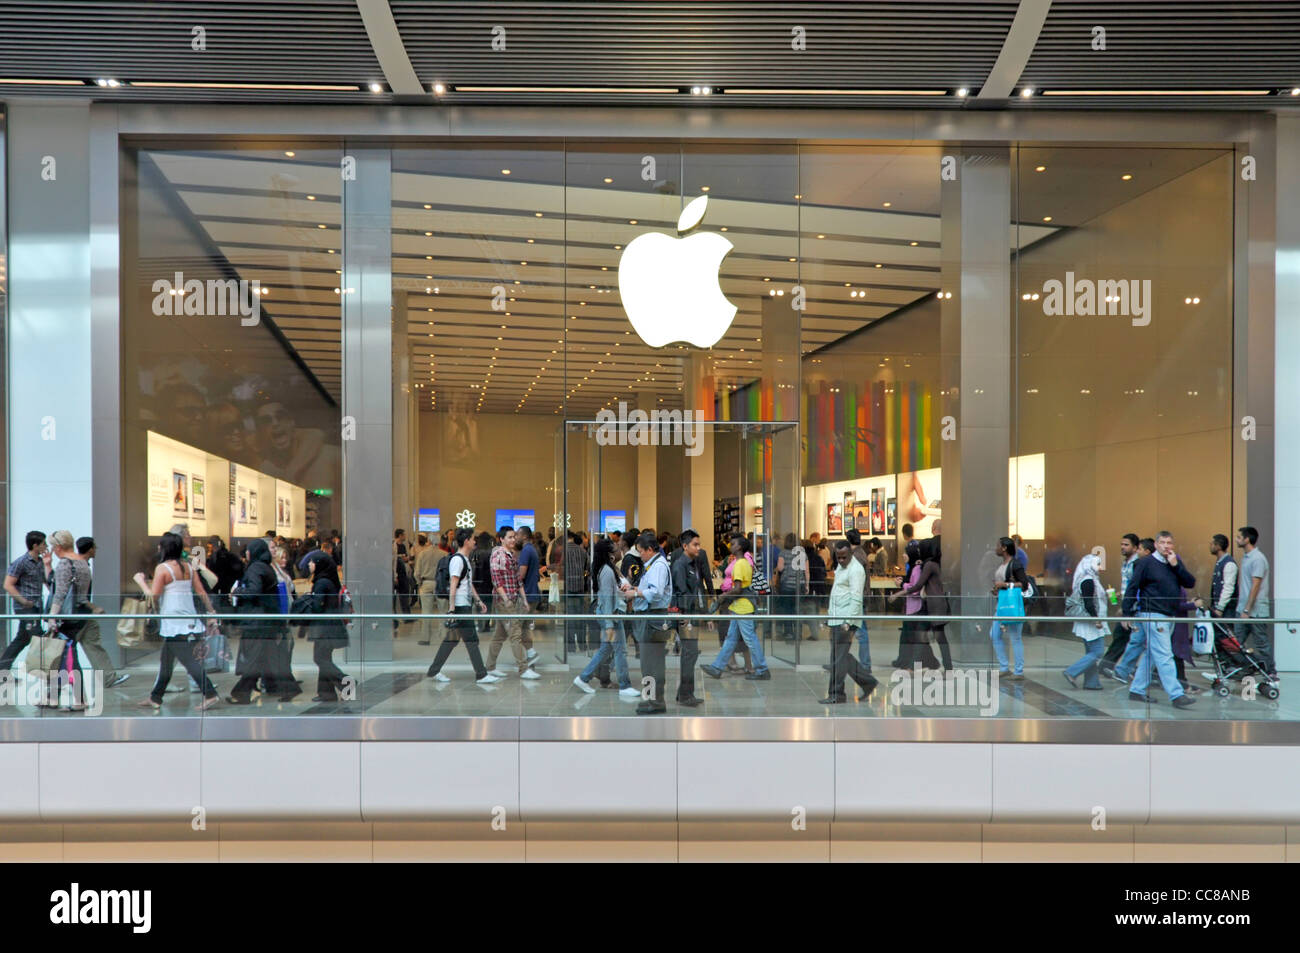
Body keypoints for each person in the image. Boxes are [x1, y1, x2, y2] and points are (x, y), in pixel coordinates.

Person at [135, 532, 221, 710]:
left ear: (164, 548)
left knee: (189, 661)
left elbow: (154, 597)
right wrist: (211, 612)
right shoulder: (188, 567)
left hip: (173, 622)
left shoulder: (163, 568)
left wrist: (141, 582)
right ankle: (155, 697)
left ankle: (211, 694)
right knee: (166, 661)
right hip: (188, 618)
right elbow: (201, 592)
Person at [1120, 531, 1196, 708]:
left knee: (1152, 654)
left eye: (1169, 543)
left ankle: (1137, 690)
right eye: (1162, 542)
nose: (1166, 546)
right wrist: (1126, 613)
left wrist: (1176, 566)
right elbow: (1133, 587)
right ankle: (1176, 694)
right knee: (1164, 654)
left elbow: (1190, 582)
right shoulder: (1145, 563)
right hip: (1152, 614)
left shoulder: (1174, 561)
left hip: (1169, 614)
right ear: (1155, 544)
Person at [227, 538, 298, 703]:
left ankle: (242, 693)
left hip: (257, 621)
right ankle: (289, 688)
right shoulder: (266, 567)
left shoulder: (255, 568)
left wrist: (236, 591)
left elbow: (254, 591)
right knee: (268, 657)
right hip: (266, 620)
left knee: (254, 658)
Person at [426, 528, 499, 684]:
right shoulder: (458, 560)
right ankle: (481, 674)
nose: (475, 542)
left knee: (451, 640)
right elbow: (453, 584)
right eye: (473, 539)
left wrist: (478, 601)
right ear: (466, 541)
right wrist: (452, 609)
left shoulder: (465, 559)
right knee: (471, 640)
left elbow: (468, 584)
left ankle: (434, 671)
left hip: (463, 605)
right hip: (460, 607)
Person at [573, 537, 639, 698]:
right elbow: (607, 598)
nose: (619, 550)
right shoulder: (608, 571)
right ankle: (624, 685)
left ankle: (584, 677)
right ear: (610, 553)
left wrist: (628, 582)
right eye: (616, 548)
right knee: (621, 650)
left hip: (610, 616)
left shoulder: (609, 569)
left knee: (606, 649)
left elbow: (612, 594)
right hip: (611, 617)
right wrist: (609, 623)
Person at [700, 536, 770, 683]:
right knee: (731, 639)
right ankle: (717, 667)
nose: (730, 546)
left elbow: (737, 589)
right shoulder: (743, 563)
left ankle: (762, 669)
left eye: (733, 544)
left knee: (749, 639)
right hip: (740, 606)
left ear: (739, 548)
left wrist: (723, 596)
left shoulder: (739, 564)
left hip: (742, 607)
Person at [622, 531, 675, 714]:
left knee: (652, 663)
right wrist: (635, 588)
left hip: (653, 617)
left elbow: (656, 592)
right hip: (649, 616)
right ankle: (650, 699)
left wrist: (635, 593)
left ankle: (656, 701)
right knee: (647, 663)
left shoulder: (658, 565)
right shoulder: (652, 565)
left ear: (650, 550)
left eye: (641, 551)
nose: (640, 555)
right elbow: (650, 588)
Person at [821, 540, 878, 703]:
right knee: (841, 656)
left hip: (845, 620)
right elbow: (838, 592)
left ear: (851, 554)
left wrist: (848, 621)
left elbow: (856, 598)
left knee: (838, 658)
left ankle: (837, 694)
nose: (840, 561)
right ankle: (868, 682)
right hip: (837, 617)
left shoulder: (856, 570)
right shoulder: (842, 566)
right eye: (838, 557)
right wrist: (830, 617)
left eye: (843, 557)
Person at [69, 537, 126, 688]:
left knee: (93, 644)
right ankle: (60, 681)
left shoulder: (81, 565)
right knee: (68, 649)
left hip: (84, 615)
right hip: (78, 615)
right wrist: (94, 607)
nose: (96, 550)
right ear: (90, 550)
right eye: (95, 547)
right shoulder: (82, 567)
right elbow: (80, 597)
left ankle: (108, 677)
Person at [485, 526, 539, 679]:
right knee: (515, 632)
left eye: (514, 537)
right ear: (501, 539)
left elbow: (517, 580)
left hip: (513, 599)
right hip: (504, 601)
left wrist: (524, 599)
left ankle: (490, 667)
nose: (513, 539)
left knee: (499, 635)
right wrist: (506, 599)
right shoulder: (498, 555)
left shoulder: (512, 555)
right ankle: (523, 669)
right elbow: (496, 580)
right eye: (510, 537)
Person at [1, 530, 50, 672]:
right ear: (35, 546)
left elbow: (46, 581)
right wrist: (23, 601)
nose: (45, 546)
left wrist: (48, 565)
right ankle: (52, 676)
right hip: (26, 608)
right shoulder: (21, 562)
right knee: (38, 637)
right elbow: (8, 584)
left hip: (36, 607)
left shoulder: (40, 562)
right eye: (43, 544)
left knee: (22, 639)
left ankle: (2, 670)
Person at [304, 552, 350, 702]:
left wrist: (308, 599)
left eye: (312, 562)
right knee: (324, 658)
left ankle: (347, 684)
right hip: (330, 626)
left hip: (324, 628)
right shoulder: (329, 580)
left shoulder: (321, 583)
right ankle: (326, 693)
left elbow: (317, 606)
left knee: (320, 659)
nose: (309, 564)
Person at [668, 529, 705, 706]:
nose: (698, 547)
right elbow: (681, 591)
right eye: (694, 544)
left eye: (698, 544)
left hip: (690, 613)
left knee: (690, 654)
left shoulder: (693, 563)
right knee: (689, 653)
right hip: (684, 616)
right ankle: (685, 695)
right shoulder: (680, 565)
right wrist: (685, 616)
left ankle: (685, 692)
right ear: (685, 546)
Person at [1062, 552, 1108, 689]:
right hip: (1091, 622)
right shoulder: (1088, 580)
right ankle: (1072, 672)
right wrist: (1096, 620)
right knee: (1098, 651)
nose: (1100, 568)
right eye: (1098, 564)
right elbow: (1089, 603)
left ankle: (1092, 682)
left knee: (1091, 652)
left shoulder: (1087, 579)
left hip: (1088, 621)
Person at [1099, 533, 1141, 675]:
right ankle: (1114, 667)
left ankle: (1109, 666)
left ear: (1135, 548)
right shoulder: (1126, 563)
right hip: (1127, 605)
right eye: (1122, 544)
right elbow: (1128, 587)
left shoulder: (1136, 564)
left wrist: (1126, 608)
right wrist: (1119, 596)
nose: (1122, 547)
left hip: (1132, 608)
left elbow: (1135, 588)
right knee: (1124, 637)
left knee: (1124, 637)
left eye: (1126, 545)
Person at [1235, 525, 1274, 677]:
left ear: (1247, 539)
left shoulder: (1258, 559)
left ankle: (1270, 673)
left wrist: (1247, 609)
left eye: (1239, 537)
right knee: (1235, 642)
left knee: (1261, 643)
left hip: (1255, 611)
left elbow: (1255, 585)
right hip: (1243, 609)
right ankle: (1245, 668)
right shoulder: (1245, 558)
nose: (1237, 539)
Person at [990, 536, 1030, 679]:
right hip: (1002, 605)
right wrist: (997, 589)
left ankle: (1018, 671)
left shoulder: (1015, 564)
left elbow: (1024, 584)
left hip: (1012, 605)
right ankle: (1004, 666)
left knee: (1015, 637)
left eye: (998, 545)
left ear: (1004, 548)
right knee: (994, 634)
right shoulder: (1003, 565)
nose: (996, 548)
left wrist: (1005, 585)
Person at [890, 539, 932, 669]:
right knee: (912, 637)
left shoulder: (917, 569)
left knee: (913, 637)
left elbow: (915, 589)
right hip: (911, 608)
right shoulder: (913, 568)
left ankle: (912, 663)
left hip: (915, 608)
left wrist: (902, 585)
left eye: (906, 553)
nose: (903, 555)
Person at [775, 532, 809, 642]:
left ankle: (789, 633)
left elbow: (780, 568)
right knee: (798, 610)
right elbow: (806, 571)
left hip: (787, 585)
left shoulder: (783, 553)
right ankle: (798, 634)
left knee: (787, 610)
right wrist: (807, 584)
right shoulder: (802, 553)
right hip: (800, 585)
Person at [563, 531, 592, 652]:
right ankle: (582, 644)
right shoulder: (583, 552)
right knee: (580, 618)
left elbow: (560, 569)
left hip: (568, 588)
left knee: (569, 618)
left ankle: (570, 646)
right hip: (580, 588)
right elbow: (588, 569)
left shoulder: (564, 551)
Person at [413, 535, 442, 646]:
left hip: (426, 583)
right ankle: (444, 636)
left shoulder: (422, 554)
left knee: (426, 612)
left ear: (428, 541)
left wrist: (420, 583)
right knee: (443, 611)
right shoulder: (443, 554)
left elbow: (417, 573)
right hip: (439, 584)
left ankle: (425, 638)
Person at [517, 525, 542, 628]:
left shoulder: (526, 551)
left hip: (527, 593)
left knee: (519, 627)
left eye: (518, 534)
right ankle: (527, 645)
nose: (516, 537)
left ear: (524, 536)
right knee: (525, 628)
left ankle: (523, 644)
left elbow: (521, 575)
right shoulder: (531, 549)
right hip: (532, 593)